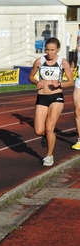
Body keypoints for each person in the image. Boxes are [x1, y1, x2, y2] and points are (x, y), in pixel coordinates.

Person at [28, 37, 74, 166]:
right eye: (47, 50)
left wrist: (59, 83)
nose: (49, 53)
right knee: (38, 130)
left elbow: (70, 82)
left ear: (58, 49)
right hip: (42, 97)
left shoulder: (63, 62)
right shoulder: (39, 61)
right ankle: (46, 136)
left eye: (52, 50)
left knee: (49, 128)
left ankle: (49, 156)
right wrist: (36, 82)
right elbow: (30, 76)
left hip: (56, 96)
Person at [70, 42, 80, 150]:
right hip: (79, 80)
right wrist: (71, 68)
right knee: (77, 110)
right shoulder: (78, 47)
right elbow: (74, 60)